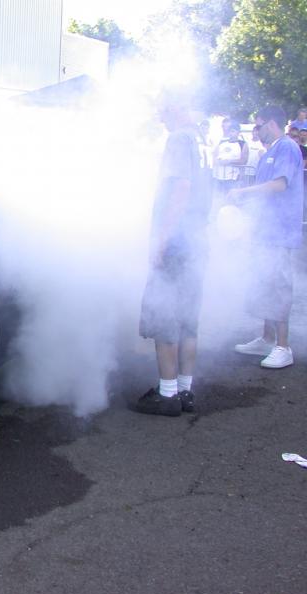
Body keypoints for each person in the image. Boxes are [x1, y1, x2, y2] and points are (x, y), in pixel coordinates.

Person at [131, 92, 212, 416]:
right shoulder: (200, 138)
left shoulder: (179, 138)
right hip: (197, 243)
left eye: (163, 110)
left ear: (177, 106)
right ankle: (185, 390)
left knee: (165, 316)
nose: (160, 117)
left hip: (178, 244)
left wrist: (161, 242)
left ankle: (167, 396)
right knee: (188, 320)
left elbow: (180, 189)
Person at [227, 105, 304, 369]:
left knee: (279, 286)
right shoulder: (269, 152)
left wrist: (243, 192)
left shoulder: (287, 148)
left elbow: (279, 185)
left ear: (271, 124)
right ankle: (268, 339)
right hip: (265, 230)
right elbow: (263, 195)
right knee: (266, 283)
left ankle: (283, 347)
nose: (256, 131)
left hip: (280, 231)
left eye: (259, 125)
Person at [212, 121, 248, 197]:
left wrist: (229, 162)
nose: (231, 133)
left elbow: (243, 160)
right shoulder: (222, 142)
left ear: (238, 132)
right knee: (218, 197)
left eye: (233, 131)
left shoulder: (242, 144)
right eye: (230, 131)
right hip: (219, 176)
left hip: (233, 177)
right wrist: (218, 162)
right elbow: (214, 156)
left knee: (231, 197)